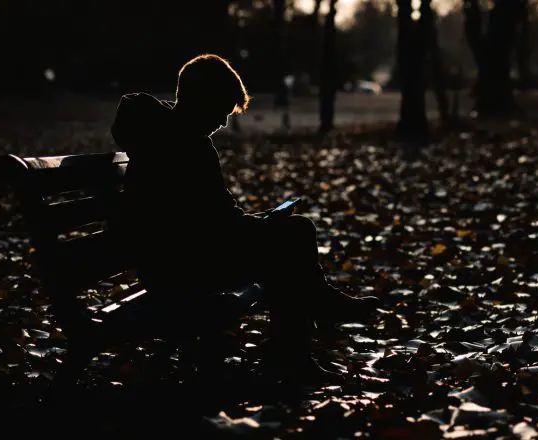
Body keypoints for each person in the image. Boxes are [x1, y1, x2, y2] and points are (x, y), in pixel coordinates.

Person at [110, 53, 379, 382]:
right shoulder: (180, 146)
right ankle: (302, 334)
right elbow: (204, 225)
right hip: (181, 265)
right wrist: (256, 226)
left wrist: (256, 223)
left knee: (290, 235)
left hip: (184, 254)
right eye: (222, 110)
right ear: (201, 100)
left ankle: (307, 324)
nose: (223, 122)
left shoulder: (169, 137)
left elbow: (211, 217)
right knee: (292, 237)